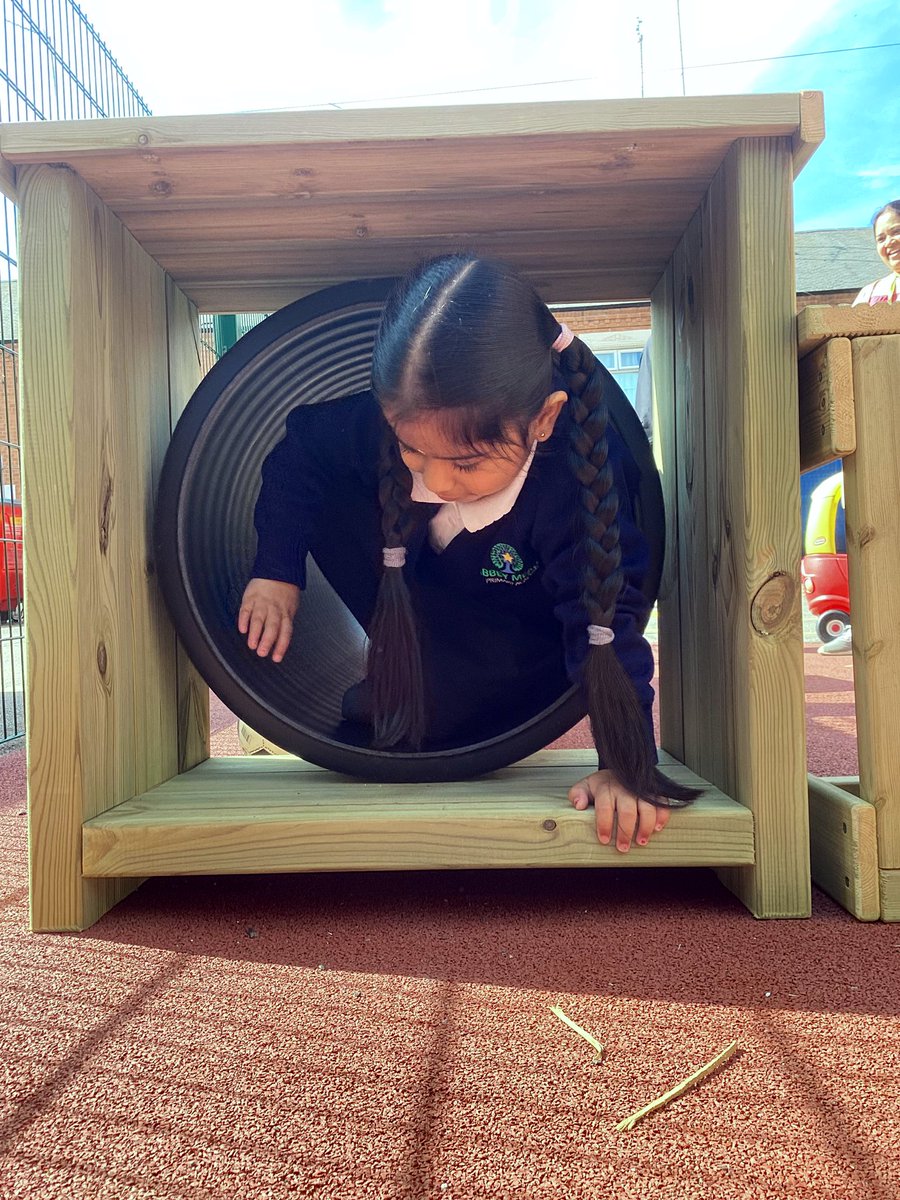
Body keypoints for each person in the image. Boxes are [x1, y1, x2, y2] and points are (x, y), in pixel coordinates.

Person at [238, 255, 697, 850]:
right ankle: (403, 666)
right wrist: (277, 569)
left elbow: (603, 624)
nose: (438, 480)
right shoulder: (399, 423)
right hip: (404, 575)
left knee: (421, 720)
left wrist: (626, 764)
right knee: (382, 710)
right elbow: (301, 449)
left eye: (467, 463)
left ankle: (424, 682)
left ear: (543, 419)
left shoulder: (574, 480)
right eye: (413, 452)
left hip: (513, 626)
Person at [819, 200, 900, 655]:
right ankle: (867, 612)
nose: (890, 242)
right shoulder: (870, 297)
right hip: (881, 429)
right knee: (870, 525)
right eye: (882, 236)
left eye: (897, 230)